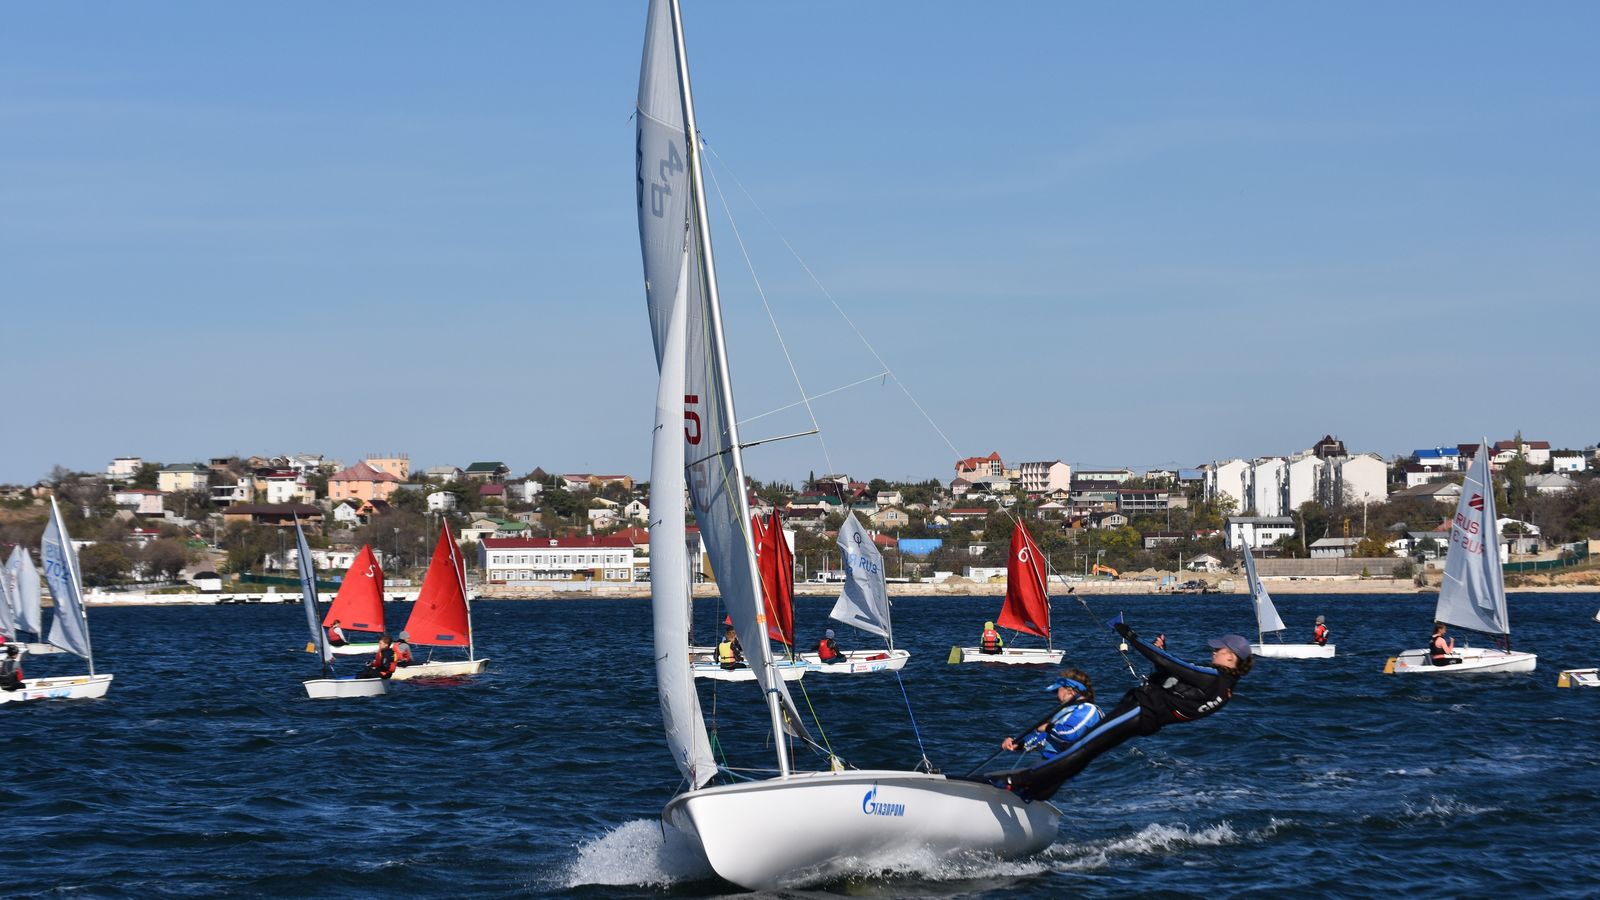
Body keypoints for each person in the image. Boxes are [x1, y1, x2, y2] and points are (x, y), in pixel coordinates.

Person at [1002, 619, 1253, 801]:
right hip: (1146, 719)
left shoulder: (1213, 677)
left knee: (1085, 745)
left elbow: (1170, 664)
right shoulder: (1224, 689)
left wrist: (1132, 637)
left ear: (1232, 658)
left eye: (1219, 649)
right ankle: (1040, 790)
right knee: (1089, 750)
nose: (1214, 651)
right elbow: (1176, 690)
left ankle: (1022, 781)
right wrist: (1161, 658)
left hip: (1140, 710)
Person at [1000, 669, 1103, 760]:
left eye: (1057, 690)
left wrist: (1048, 727)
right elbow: (1040, 737)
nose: (1056, 695)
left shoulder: (1089, 709)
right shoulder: (1063, 714)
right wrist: (1017, 744)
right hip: (1049, 763)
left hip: (1071, 766)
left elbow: (1070, 734)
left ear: (1069, 691)